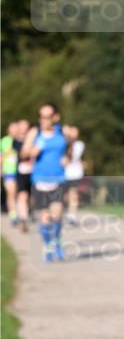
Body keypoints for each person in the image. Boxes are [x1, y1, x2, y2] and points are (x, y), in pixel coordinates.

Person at [21, 103, 72, 261]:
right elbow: (23, 153)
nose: (44, 120)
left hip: (58, 178)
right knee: (45, 217)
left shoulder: (63, 132)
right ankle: (47, 245)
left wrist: (67, 158)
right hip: (39, 179)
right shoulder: (34, 133)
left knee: (57, 214)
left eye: (47, 117)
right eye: (41, 116)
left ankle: (57, 242)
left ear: (55, 117)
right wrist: (32, 151)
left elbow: (69, 148)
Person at [64, 127, 86, 225]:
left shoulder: (79, 144)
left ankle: (72, 215)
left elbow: (71, 155)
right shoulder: (62, 143)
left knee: (74, 194)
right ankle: (67, 212)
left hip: (75, 173)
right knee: (65, 196)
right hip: (63, 173)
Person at [14, 119, 33, 232]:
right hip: (21, 172)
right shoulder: (15, 141)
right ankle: (24, 219)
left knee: (30, 197)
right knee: (22, 195)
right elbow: (21, 154)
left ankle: (28, 212)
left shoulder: (35, 139)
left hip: (33, 171)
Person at [1, 122, 19, 224]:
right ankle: (13, 214)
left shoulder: (21, 140)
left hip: (20, 171)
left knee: (19, 193)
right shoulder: (4, 141)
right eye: (13, 128)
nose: (15, 130)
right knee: (11, 192)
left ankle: (23, 211)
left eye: (16, 128)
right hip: (9, 171)